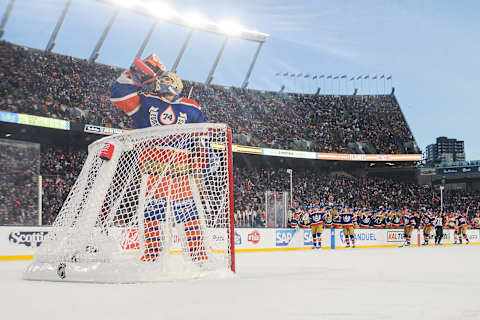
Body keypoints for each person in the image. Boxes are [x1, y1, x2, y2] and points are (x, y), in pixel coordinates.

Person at [110, 53, 209, 263]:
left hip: (181, 173)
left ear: (175, 84)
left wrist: (201, 162)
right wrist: (135, 74)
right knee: (152, 216)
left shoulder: (192, 107)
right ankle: (152, 254)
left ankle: (198, 255)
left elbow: (201, 139)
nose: (159, 83)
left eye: (165, 80)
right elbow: (118, 96)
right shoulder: (147, 100)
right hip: (153, 172)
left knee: (189, 216)